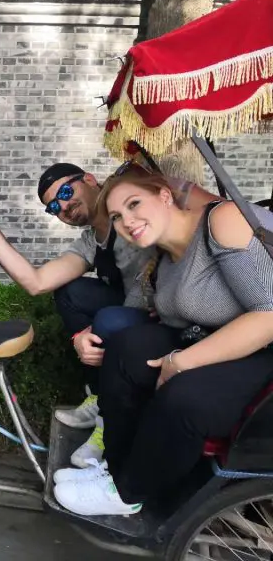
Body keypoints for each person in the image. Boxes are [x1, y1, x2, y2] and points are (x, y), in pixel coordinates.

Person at [52, 164, 273, 517]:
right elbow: (153, 316)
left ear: (165, 195)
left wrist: (180, 362)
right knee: (126, 347)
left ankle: (129, 492)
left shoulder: (222, 220)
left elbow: (269, 314)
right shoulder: (163, 262)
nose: (128, 221)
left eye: (135, 204)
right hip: (218, 343)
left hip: (265, 352)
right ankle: (118, 470)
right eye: (118, 217)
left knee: (183, 395)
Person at [0, 162, 220, 468]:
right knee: (71, 292)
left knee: (110, 321)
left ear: (89, 179)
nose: (64, 206)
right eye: (54, 207)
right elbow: (37, 282)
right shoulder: (90, 242)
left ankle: (107, 422)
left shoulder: (144, 218)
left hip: (176, 308)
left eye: (65, 192)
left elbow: (208, 208)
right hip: (144, 304)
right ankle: (99, 397)